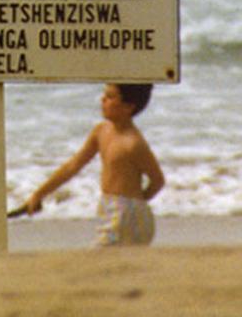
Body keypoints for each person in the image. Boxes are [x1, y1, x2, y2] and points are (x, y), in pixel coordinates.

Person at [24, 83, 165, 246]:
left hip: (127, 213)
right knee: (116, 267)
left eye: (110, 97)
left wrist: (135, 203)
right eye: (104, 94)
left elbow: (158, 180)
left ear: (128, 107)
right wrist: (39, 194)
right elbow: (72, 166)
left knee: (98, 261)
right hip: (109, 207)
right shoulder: (101, 131)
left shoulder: (133, 144)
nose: (102, 99)